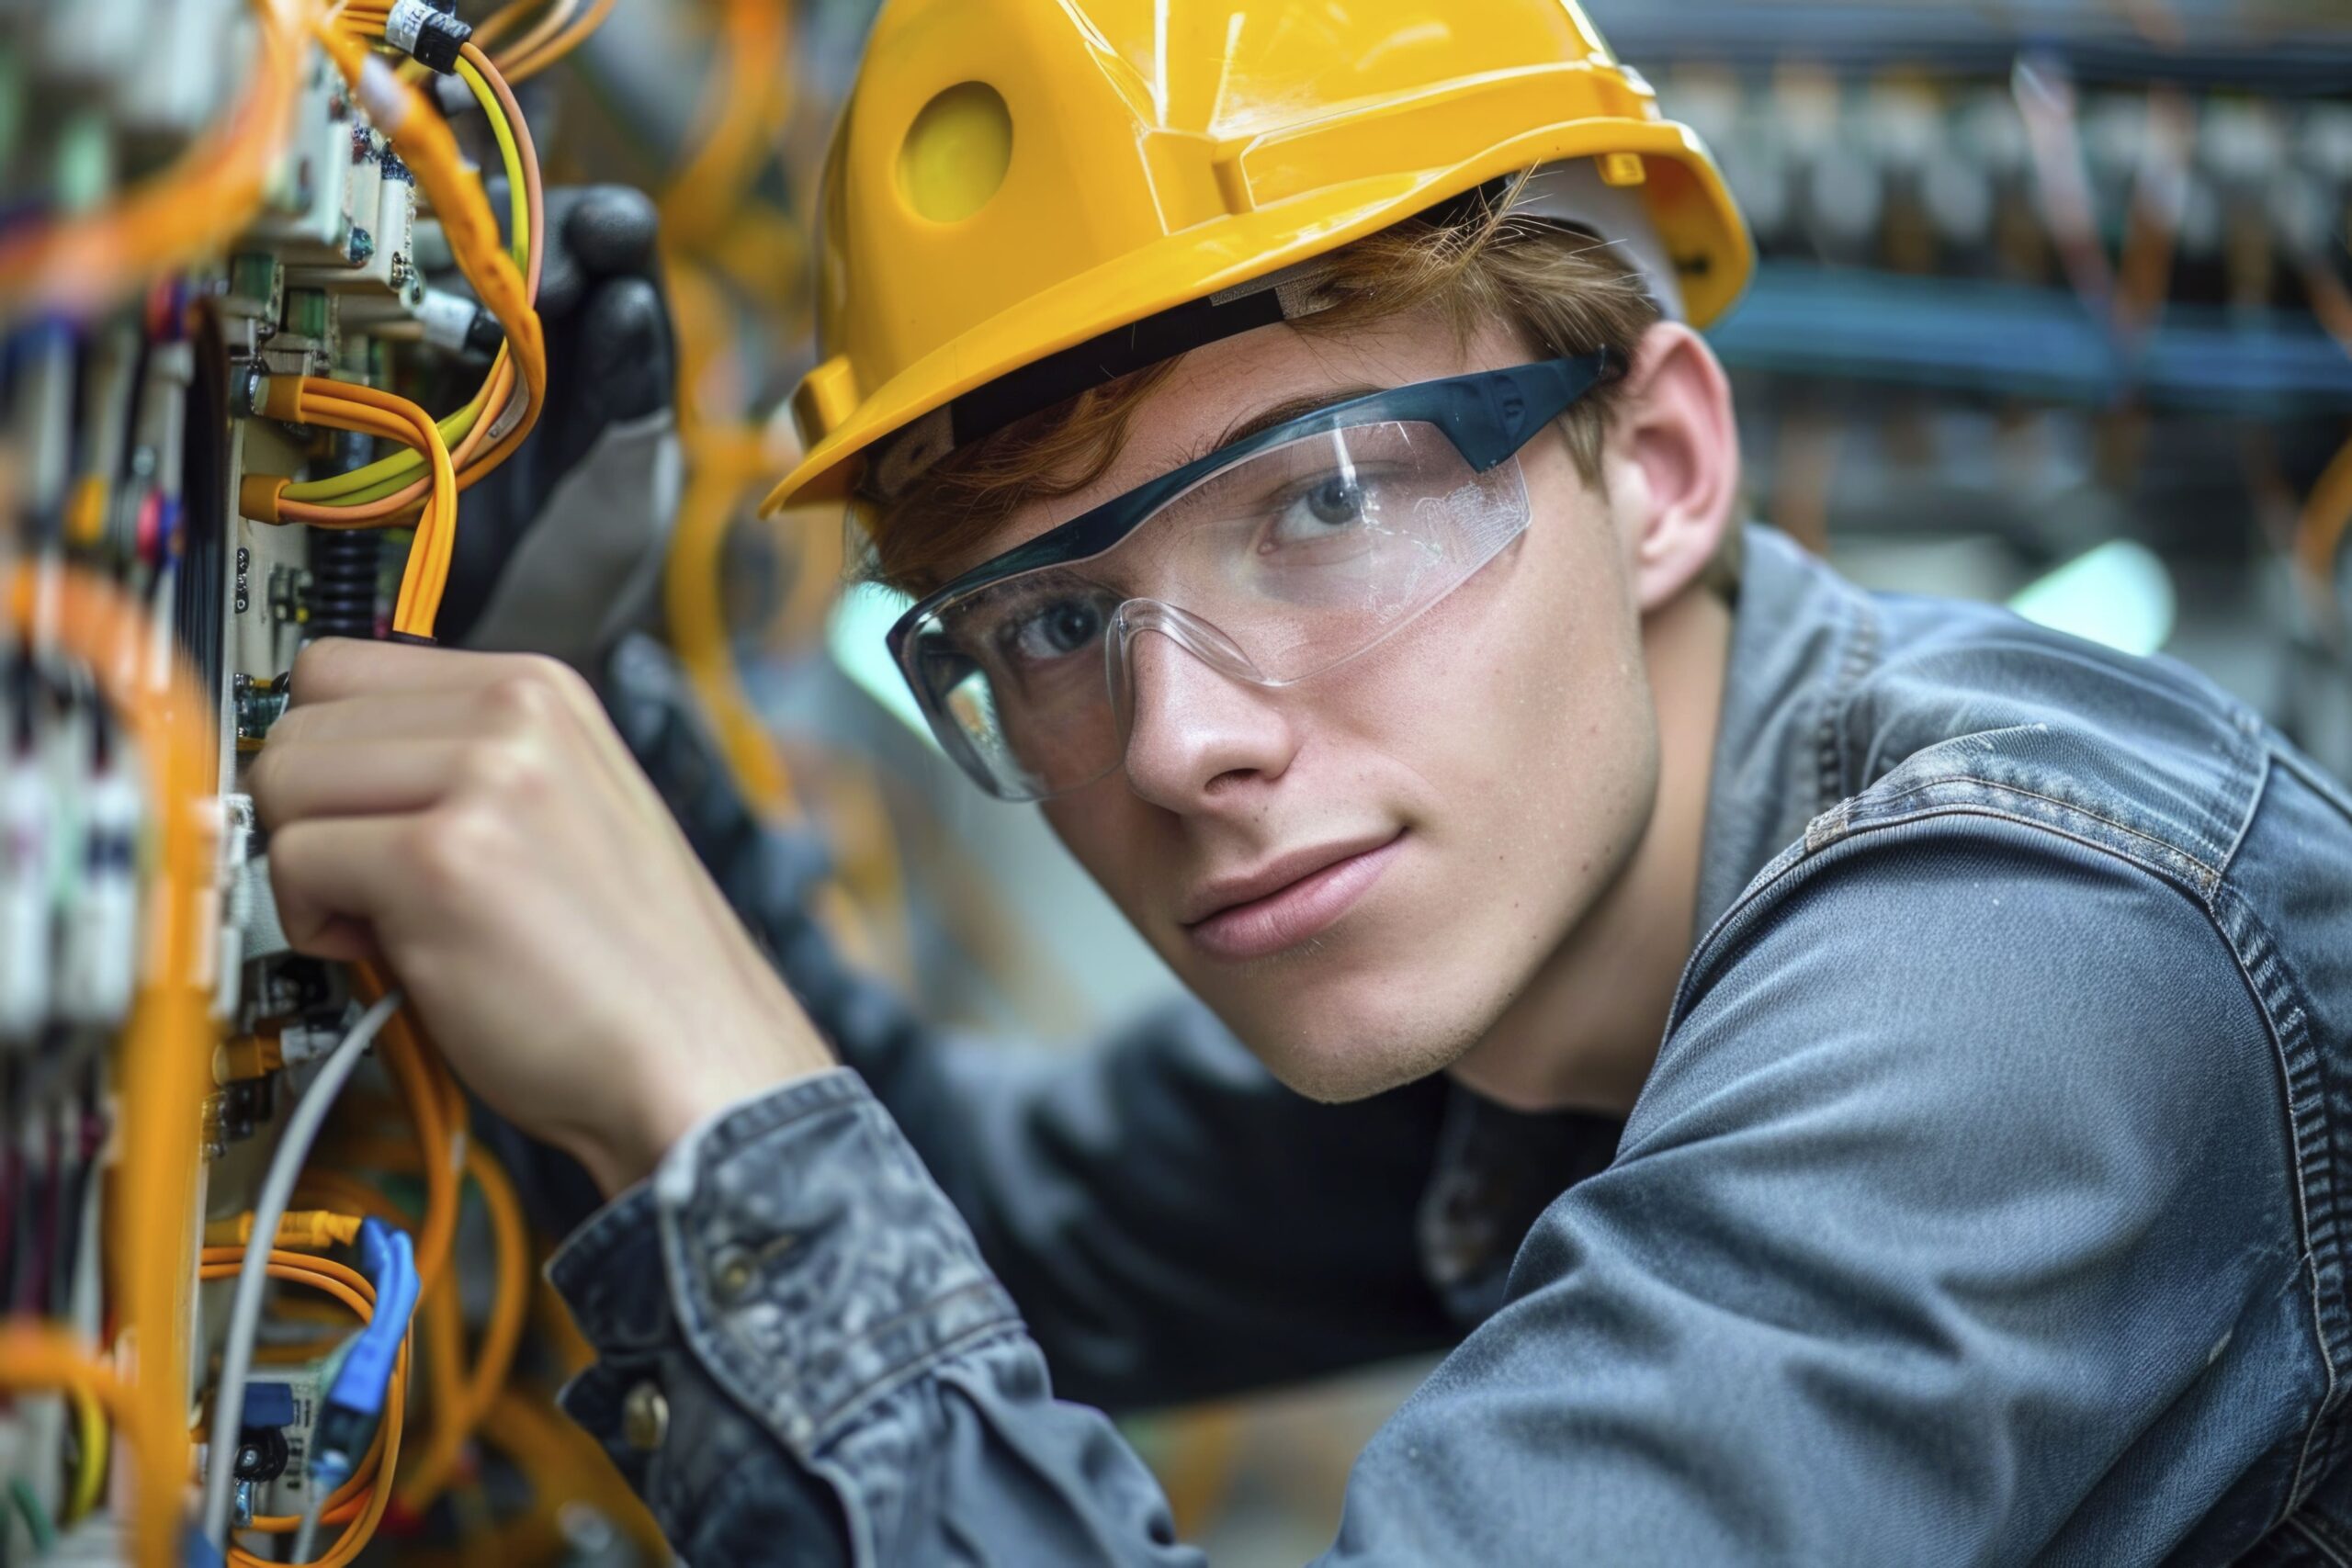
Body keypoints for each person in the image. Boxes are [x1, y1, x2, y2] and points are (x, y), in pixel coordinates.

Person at [248, 1, 2352, 1562]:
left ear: (1656, 470)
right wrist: (591, 706)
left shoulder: (2024, 974)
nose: (1181, 743)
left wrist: (726, 1136)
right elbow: (1005, 1226)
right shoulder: (1515, 929)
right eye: (1047, 623)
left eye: (1324, 503)